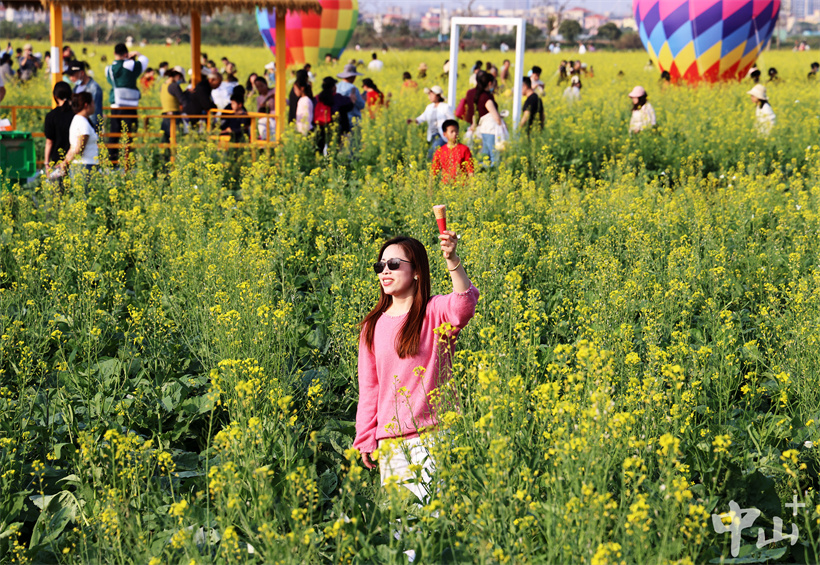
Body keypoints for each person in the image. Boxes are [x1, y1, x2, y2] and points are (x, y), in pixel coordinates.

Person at [353, 233, 479, 502]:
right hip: (391, 443)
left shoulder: (435, 311)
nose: (385, 271)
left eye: (394, 264)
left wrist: (452, 260)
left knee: (433, 520)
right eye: (380, 266)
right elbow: (370, 387)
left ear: (417, 272)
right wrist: (365, 437)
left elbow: (464, 304)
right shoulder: (372, 325)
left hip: (434, 436)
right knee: (400, 523)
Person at [106, 43, 148, 164]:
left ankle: (112, 161)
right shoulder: (130, 64)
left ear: (114, 53)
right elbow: (145, 60)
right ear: (126, 53)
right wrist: (137, 54)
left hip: (115, 104)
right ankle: (128, 162)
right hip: (130, 105)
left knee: (114, 133)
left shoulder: (108, 68)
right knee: (129, 134)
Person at [51, 92, 99, 186]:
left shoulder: (77, 119)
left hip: (82, 166)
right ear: (86, 105)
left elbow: (72, 148)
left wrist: (65, 162)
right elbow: (79, 149)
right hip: (85, 166)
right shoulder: (83, 123)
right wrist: (65, 164)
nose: (94, 106)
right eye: (93, 103)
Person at [410, 85, 455, 161]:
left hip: (441, 135)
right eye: (429, 94)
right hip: (431, 135)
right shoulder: (429, 107)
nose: (429, 96)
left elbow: (451, 121)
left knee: (431, 154)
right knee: (439, 156)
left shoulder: (445, 107)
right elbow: (423, 117)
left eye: (431, 94)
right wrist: (413, 121)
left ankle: (431, 166)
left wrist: (451, 134)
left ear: (438, 95)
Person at [314, 76, 354, 152]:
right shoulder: (337, 97)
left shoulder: (317, 98)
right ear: (333, 87)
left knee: (320, 150)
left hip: (321, 127)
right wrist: (352, 99)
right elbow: (349, 106)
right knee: (336, 150)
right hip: (337, 129)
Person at [43, 81, 75, 172]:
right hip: (75, 159)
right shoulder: (77, 114)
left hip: (57, 162)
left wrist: (47, 163)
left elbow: (49, 142)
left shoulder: (51, 116)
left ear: (55, 96)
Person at [475, 73, 504, 166]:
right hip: (491, 129)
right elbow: (495, 116)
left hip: (485, 129)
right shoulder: (486, 98)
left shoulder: (481, 95)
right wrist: (502, 125)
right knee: (494, 157)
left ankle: (480, 169)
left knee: (485, 155)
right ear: (490, 83)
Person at [432, 120, 474, 184]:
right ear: (444, 134)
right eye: (452, 132)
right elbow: (434, 172)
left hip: (462, 186)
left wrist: (472, 186)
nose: (455, 134)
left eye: (456, 131)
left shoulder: (465, 149)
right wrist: (430, 188)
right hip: (446, 186)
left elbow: (470, 170)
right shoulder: (439, 151)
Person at [68, 63, 103, 130]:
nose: (71, 78)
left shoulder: (94, 88)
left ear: (82, 73)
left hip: (89, 128)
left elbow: (95, 112)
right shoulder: (76, 88)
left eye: (73, 75)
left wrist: (93, 129)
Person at [160, 70, 185, 143]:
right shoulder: (174, 86)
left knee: (166, 139)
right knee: (176, 138)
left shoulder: (163, 85)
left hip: (165, 114)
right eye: (180, 78)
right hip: (174, 114)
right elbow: (182, 99)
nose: (180, 80)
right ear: (177, 76)